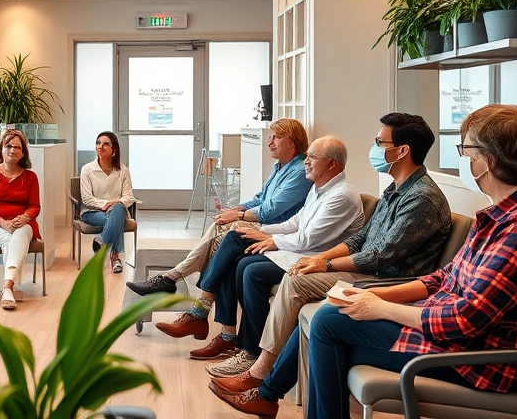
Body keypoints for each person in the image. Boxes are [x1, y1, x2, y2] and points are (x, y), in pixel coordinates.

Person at [217, 104, 517, 418]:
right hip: (451, 337)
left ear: (489, 161)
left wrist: (381, 306)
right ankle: (266, 394)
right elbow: (444, 279)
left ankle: (265, 393)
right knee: (329, 318)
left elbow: (463, 321)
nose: (463, 160)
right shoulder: (501, 217)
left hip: (474, 360)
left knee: (326, 321)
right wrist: (373, 301)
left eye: (466, 151)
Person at [207, 112, 453, 403]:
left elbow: (379, 256)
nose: (374, 148)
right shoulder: (396, 189)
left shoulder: (421, 198)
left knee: (295, 282)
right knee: (288, 278)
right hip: (368, 270)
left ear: (402, 151)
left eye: (379, 141)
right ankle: (264, 385)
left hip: (384, 280)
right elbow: (360, 240)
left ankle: (260, 373)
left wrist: (324, 263)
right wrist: (321, 259)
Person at [169, 136, 365, 370]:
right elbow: (296, 222)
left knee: (250, 270)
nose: (306, 161)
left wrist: (269, 238)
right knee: (236, 250)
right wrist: (261, 231)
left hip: (312, 260)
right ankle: (226, 334)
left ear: (332, 163)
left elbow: (308, 238)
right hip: (295, 251)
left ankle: (245, 347)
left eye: (312, 157)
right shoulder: (319, 188)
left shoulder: (342, 195)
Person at [128, 118, 313, 297]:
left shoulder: (299, 172)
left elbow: (269, 210)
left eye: (276, 137)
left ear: (293, 142)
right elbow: (261, 198)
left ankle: (175, 279)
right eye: (270, 136)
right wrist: (237, 209)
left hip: (274, 229)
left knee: (225, 231)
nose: (270, 141)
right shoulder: (279, 166)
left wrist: (238, 215)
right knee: (220, 225)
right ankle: (173, 278)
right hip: (264, 222)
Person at [0, 129, 41, 310]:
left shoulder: (30, 176)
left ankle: (7, 288)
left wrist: (26, 216)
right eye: (8, 146)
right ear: (1, 149)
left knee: (20, 234)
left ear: (23, 153)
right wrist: (2, 223)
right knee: (11, 240)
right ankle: (11, 286)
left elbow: (35, 206)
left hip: (22, 224)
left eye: (17, 147)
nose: (12, 150)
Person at [79, 131, 136, 274]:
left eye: (105, 144)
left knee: (117, 211)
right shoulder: (87, 170)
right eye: (98, 143)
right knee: (117, 217)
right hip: (92, 212)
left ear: (114, 150)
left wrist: (115, 204)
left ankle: (102, 242)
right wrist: (107, 205)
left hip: (117, 211)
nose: (100, 146)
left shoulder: (123, 171)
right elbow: (86, 198)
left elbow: (128, 197)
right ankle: (115, 258)